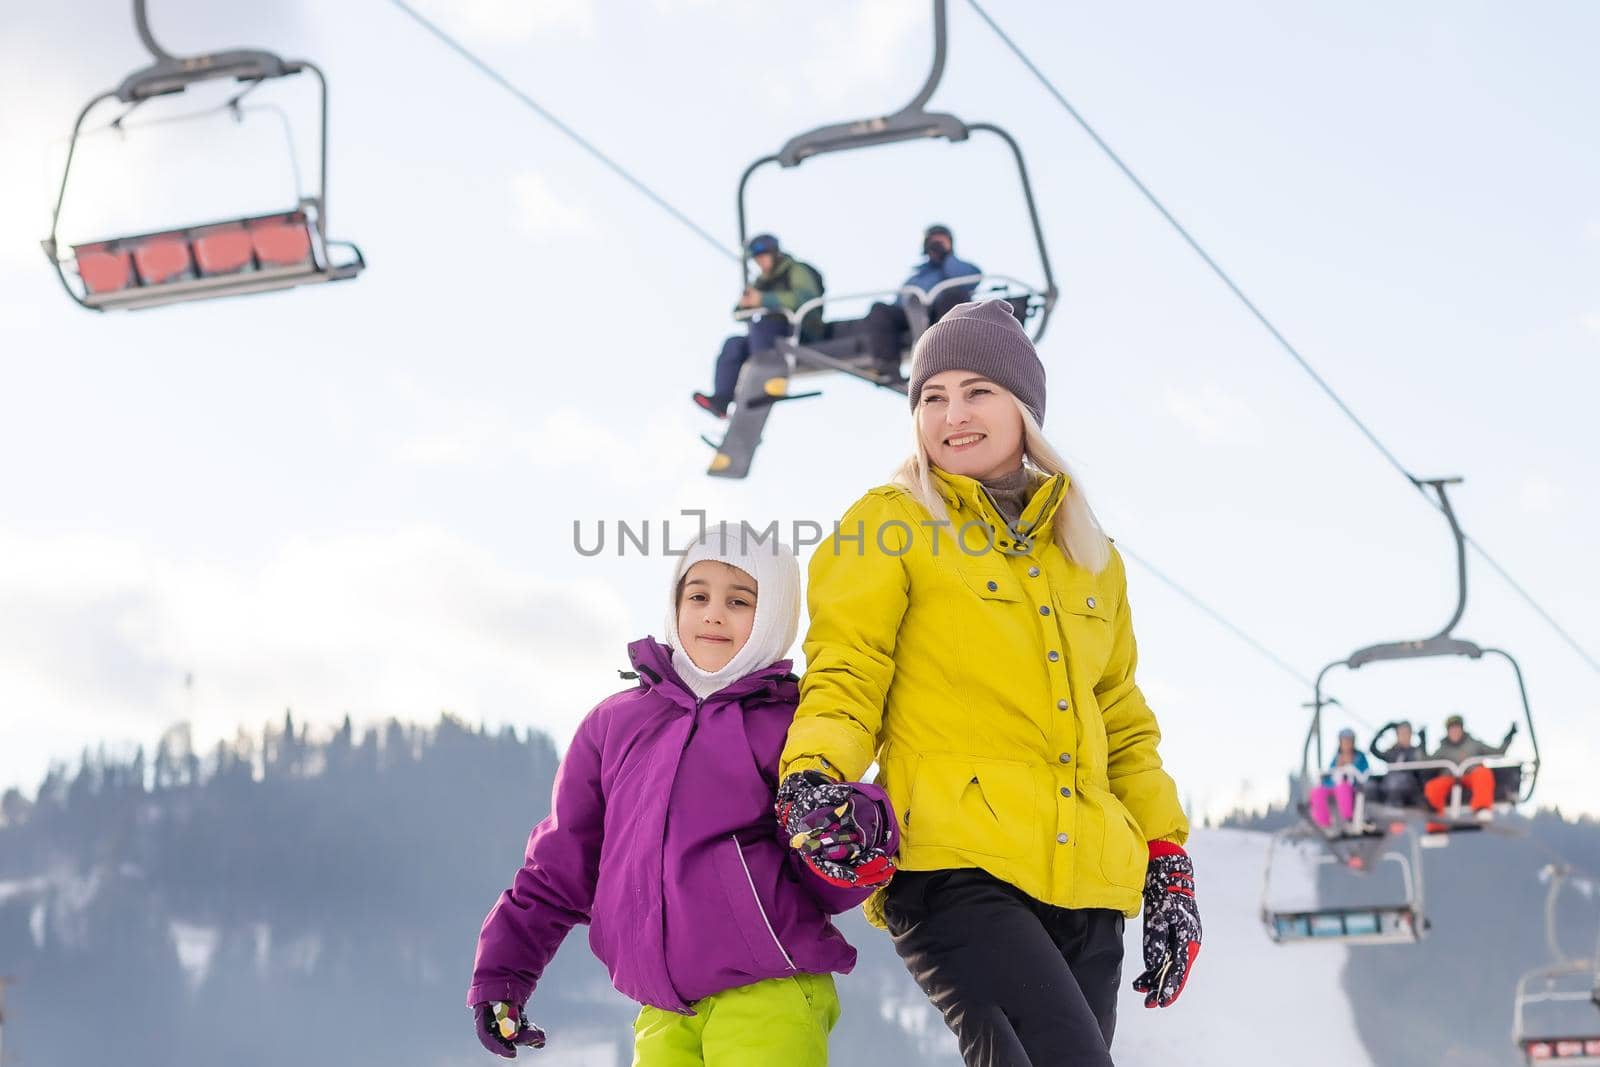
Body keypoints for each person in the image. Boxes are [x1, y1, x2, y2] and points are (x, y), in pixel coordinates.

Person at [775, 299, 1200, 1067]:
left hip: (1087, 886)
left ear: (1023, 410)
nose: (952, 414)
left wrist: (1167, 855)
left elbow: (1123, 719)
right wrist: (813, 774)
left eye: (977, 391)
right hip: (954, 864)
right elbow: (847, 666)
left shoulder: (1091, 555)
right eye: (932, 397)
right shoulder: (891, 524)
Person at [466, 523, 897, 1064]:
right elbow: (558, 868)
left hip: (768, 989)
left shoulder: (790, 725)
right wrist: (503, 975)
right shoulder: (614, 725)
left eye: (739, 601)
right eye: (698, 596)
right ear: (675, 605)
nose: (713, 613)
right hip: (662, 1006)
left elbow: (830, 882)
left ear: (773, 618)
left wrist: (846, 839)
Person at [693, 234, 824, 419]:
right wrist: (745, 304)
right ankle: (721, 400)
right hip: (766, 337)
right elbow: (738, 313)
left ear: (774, 254)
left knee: (764, 325)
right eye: (757, 259)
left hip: (800, 332)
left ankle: (765, 376)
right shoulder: (762, 281)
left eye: (763, 257)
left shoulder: (796, 271)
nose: (760, 263)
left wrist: (763, 299)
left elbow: (805, 299)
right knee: (734, 344)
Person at [862, 224, 982, 381]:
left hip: (943, 311)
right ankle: (886, 367)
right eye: (933, 241)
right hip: (914, 312)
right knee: (879, 309)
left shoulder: (962, 268)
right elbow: (901, 299)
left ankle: (948, 356)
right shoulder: (917, 275)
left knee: (953, 295)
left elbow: (968, 281)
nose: (937, 244)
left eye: (942, 241)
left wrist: (946, 258)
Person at [1424, 712, 1517, 823]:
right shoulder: (1443, 749)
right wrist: (1422, 744)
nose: (1455, 732)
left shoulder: (1474, 744)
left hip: (1471, 776)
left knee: (1483, 773)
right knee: (1433, 786)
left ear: (1462, 729)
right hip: (1450, 778)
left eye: (1457, 728)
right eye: (1452, 729)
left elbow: (1498, 752)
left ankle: (1482, 808)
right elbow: (1426, 763)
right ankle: (1435, 822)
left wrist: (1509, 737)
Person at [1308, 728, 1370, 831]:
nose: (1346, 744)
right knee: (1317, 792)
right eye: (1344, 741)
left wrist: (1350, 767)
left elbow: (1364, 774)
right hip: (1333, 784)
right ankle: (1323, 822)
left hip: (1352, 785)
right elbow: (1331, 772)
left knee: (1343, 789)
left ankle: (1348, 818)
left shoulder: (1359, 757)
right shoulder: (1337, 757)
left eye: (1348, 741)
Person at [1366, 719, 1428, 807]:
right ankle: (1370, 814)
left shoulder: (1415, 752)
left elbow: (1423, 759)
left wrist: (1423, 738)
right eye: (1401, 733)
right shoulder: (1392, 753)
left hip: (1408, 789)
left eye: (1406, 733)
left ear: (1411, 735)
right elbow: (1373, 749)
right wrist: (1384, 729)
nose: (1404, 736)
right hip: (1388, 786)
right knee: (1370, 785)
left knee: (1397, 783)